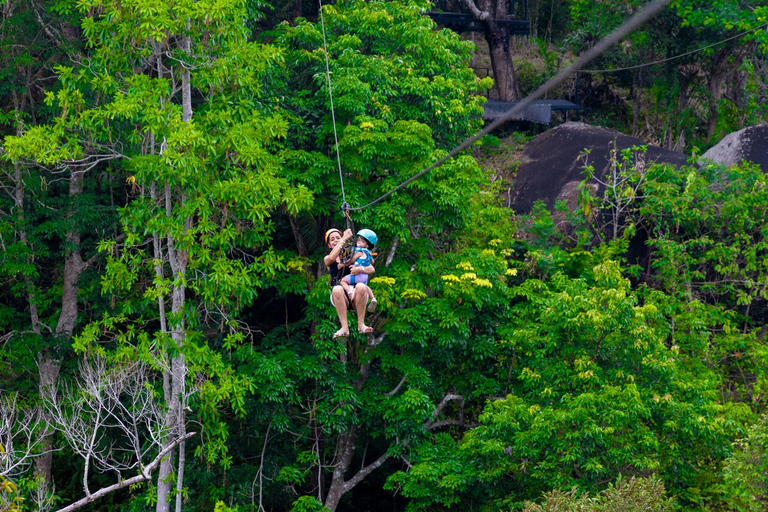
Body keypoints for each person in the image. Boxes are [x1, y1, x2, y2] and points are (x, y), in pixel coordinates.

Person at [324, 228, 375, 338]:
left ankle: (361, 324)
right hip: (341, 295)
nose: (336, 240)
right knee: (337, 289)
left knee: (361, 286)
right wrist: (343, 239)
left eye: (338, 238)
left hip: (357, 294)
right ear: (329, 245)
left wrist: (360, 269)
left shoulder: (352, 253)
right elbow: (331, 258)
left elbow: (371, 268)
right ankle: (344, 327)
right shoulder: (328, 258)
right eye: (332, 239)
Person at [339, 229, 378, 305]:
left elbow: (351, 260)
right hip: (365, 276)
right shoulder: (369, 253)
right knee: (365, 287)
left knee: (342, 281)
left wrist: (346, 263)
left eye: (362, 241)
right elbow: (372, 262)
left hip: (357, 275)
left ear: (367, 245)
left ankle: (350, 291)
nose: (359, 242)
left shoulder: (359, 252)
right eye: (358, 241)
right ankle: (373, 298)